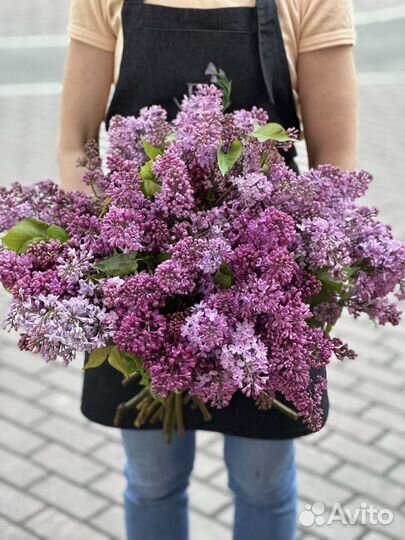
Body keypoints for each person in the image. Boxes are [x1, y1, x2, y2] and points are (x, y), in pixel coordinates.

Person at [57, 1, 357, 539]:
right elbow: (74, 144)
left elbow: (336, 165)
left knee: (262, 481)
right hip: (141, 289)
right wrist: (117, 251)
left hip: (265, 287)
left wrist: (309, 279)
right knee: (152, 479)